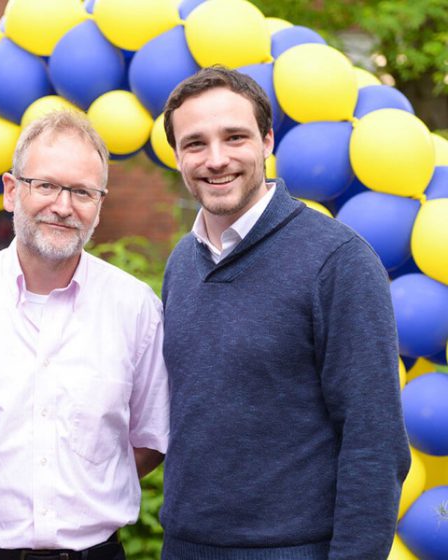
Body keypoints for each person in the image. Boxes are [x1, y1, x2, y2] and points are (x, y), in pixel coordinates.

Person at [158, 66, 410, 559]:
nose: (216, 159)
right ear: (176, 155)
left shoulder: (337, 260)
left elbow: (374, 441)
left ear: (268, 140)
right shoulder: (181, 264)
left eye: (235, 137)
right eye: (195, 143)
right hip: (185, 547)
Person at [0, 111, 169, 559]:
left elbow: (147, 441)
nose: (63, 205)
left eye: (82, 191)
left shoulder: (135, 309)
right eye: (46, 185)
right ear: (10, 190)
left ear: (100, 204)